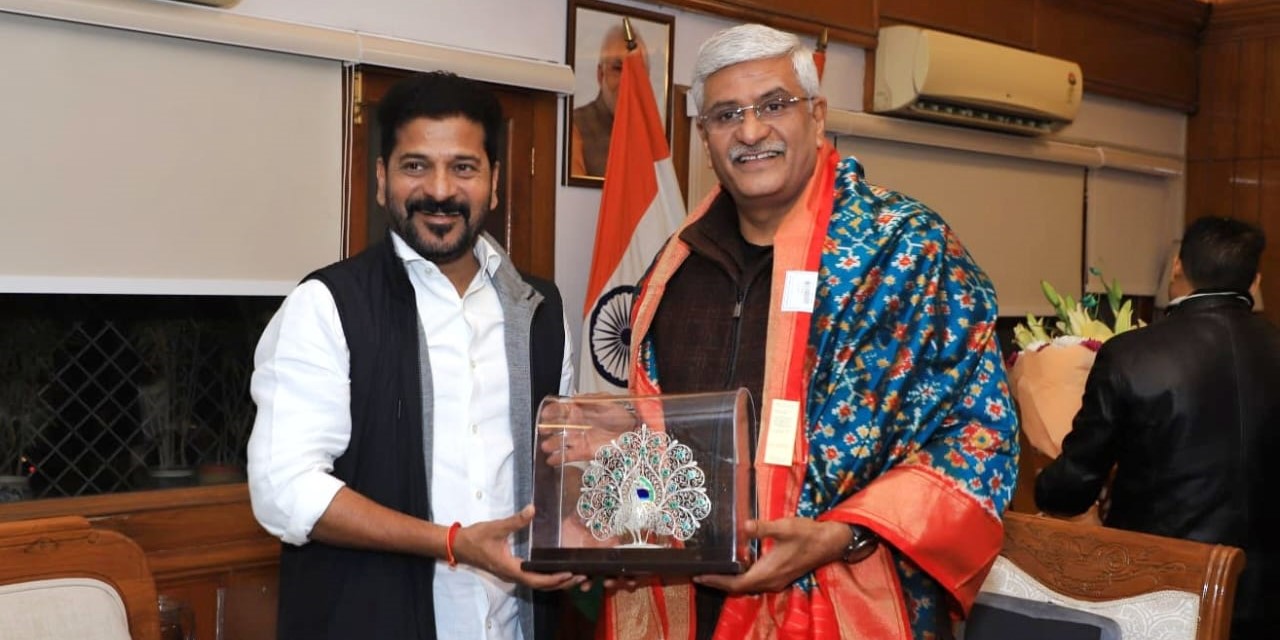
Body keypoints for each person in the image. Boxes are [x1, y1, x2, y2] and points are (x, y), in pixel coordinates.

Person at [607, 23, 1020, 639]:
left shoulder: (904, 252)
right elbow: (654, 434)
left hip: (849, 597)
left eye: (774, 105)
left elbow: (981, 435)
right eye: (726, 115)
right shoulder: (674, 269)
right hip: (690, 605)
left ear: (817, 115)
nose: (751, 132)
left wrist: (841, 535)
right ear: (704, 136)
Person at [246, 71, 581, 640]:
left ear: (495, 184)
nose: (441, 190)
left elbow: (564, 463)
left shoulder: (541, 311)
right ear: (381, 179)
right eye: (416, 165)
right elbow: (286, 492)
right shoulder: (326, 307)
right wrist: (454, 545)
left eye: (464, 167)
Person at [1036, 216, 1279, 639]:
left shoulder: (1132, 355)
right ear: (1255, 280)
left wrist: (1046, 484)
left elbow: (1074, 486)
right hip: (1269, 592)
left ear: (1179, 268)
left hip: (1165, 584)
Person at [569, 25, 646, 178]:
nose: (627, 82)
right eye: (617, 69)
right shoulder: (575, 127)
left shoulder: (652, 137)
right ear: (600, 74)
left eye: (637, 71)